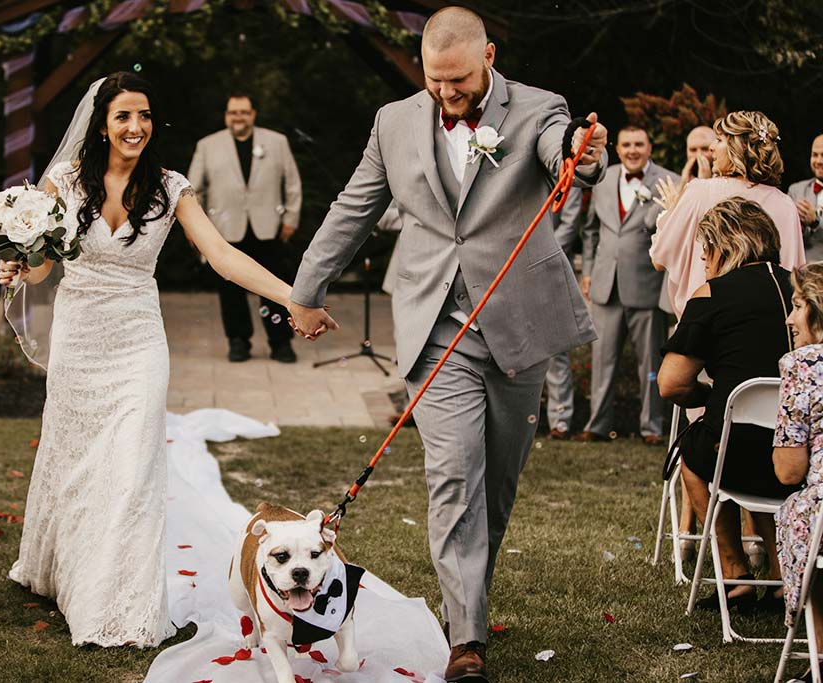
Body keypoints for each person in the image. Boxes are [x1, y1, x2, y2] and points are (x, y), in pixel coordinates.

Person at [287, 8, 609, 681]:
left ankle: (466, 599)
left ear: (489, 55)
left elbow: (563, 152)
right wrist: (306, 288)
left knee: (496, 486)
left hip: (516, 324)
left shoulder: (541, 107)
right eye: (436, 81)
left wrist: (585, 153)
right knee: (455, 472)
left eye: (459, 80)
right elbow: (355, 205)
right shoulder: (394, 122)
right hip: (436, 327)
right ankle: (467, 641)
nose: (447, 93)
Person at [0, 72, 294, 648]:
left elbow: (222, 256)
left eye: (145, 116)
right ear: (102, 125)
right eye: (124, 117)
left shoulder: (170, 188)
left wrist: (290, 296)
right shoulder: (64, 182)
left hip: (138, 341)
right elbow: (41, 266)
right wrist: (18, 261)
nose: (136, 127)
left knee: (132, 474)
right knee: (77, 461)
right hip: (79, 337)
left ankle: (122, 607)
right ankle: (60, 570)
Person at [659, 198, 799, 613]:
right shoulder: (805, 288)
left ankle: (735, 573)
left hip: (735, 448)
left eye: (706, 250)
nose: (703, 259)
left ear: (726, 246)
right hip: (801, 450)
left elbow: (671, 385)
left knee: (696, 456)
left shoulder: (713, 294)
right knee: (768, 455)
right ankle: (781, 575)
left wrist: (712, 397)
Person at [575, 126, 678, 445]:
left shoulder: (668, 180)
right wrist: (588, 271)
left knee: (650, 362)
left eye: (639, 145)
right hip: (606, 283)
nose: (632, 150)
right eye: (626, 145)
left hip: (646, 282)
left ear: (649, 149)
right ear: (617, 149)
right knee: (602, 359)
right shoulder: (604, 177)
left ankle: (651, 427)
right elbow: (590, 230)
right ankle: (598, 424)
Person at [651, 111, 804, 319]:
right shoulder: (786, 204)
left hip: (707, 318)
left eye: (719, 140)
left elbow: (659, 260)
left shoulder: (698, 192)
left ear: (738, 148)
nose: (712, 147)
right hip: (765, 322)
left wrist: (670, 212)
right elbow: (793, 277)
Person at [187, 93, 302, 363]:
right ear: (226, 116)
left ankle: (281, 343)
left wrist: (290, 219)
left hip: (268, 228)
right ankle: (238, 341)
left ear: (253, 114)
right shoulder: (207, 145)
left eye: (243, 112)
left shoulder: (277, 142)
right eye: (232, 112)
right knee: (230, 291)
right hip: (224, 232)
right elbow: (192, 191)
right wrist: (198, 229)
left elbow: (293, 184)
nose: (238, 117)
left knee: (275, 287)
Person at [774, 263, 823, 677]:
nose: (790, 318)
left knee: (802, 514)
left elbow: (789, 471)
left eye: (797, 306)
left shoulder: (801, 365)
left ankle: (821, 656)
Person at [545, 188, 584, 439]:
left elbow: (569, 224)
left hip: (549, 269)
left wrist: (537, 252)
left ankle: (560, 420)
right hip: (507, 268)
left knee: (554, 349)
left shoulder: (568, 177)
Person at [787, 133, 823, 261]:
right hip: (803, 272)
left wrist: (815, 222)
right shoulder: (796, 190)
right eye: (815, 155)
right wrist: (798, 225)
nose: (819, 161)